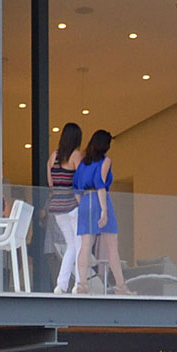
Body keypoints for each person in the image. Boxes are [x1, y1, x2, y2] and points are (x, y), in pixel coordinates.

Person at [73, 129, 128, 295]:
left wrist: (82, 204)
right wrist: (104, 211)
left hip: (84, 201)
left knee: (85, 245)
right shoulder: (105, 161)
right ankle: (121, 286)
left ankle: (82, 284)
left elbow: (76, 187)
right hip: (100, 200)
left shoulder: (83, 163)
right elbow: (100, 184)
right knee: (112, 245)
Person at [48, 124, 84, 293]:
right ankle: (78, 285)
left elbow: (51, 183)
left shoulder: (53, 156)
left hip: (57, 207)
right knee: (79, 245)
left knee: (71, 245)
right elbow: (81, 182)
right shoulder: (75, 155)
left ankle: (61, 285)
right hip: (72, 205)